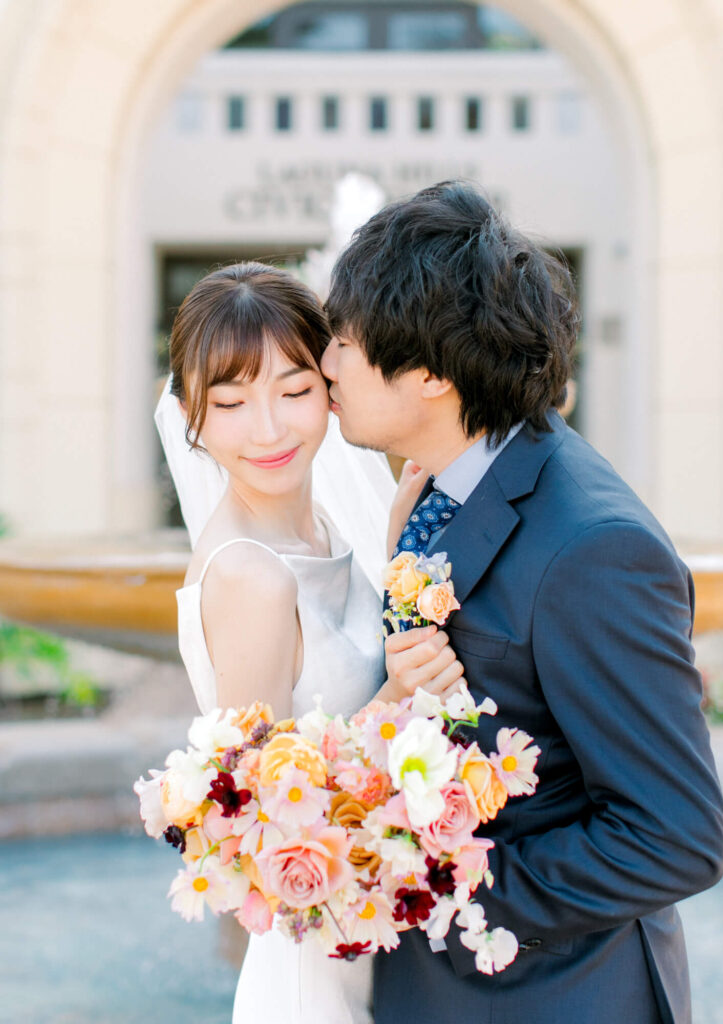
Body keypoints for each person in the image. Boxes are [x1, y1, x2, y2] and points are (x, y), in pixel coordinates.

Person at [321, 180, 723, 1024]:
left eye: (345, 341)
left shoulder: (595, 549)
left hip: (551, 994)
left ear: (430, 374)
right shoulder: (440, 484)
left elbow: (676, 835)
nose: (325, 364)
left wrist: (444, 883)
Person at [155, 261, 464, 1024]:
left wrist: (396, 550)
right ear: (191, 414)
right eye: (229, 403)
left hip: (372, 928)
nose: (266, 431)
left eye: (293, 392)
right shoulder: (251, 579)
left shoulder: (327, 524)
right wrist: (398, 696)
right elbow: (265, 815)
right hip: (312, 963)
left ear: (331, 387)